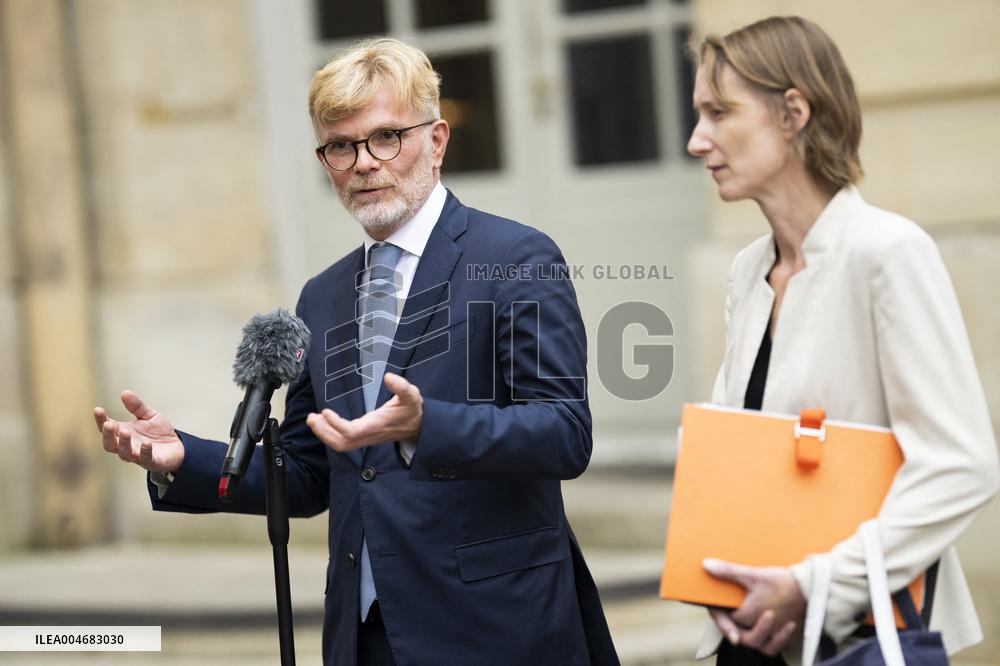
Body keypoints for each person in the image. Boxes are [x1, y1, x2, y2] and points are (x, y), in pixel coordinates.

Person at [94, 37, 618, 666]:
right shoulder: (323, 296)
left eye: (387, 136)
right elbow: (310, 474)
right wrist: (184, 458)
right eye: (341, 146)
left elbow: (564, 432)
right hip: (364, 633)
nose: (365, 162)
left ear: (437, 140)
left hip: (493, 626)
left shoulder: (517, 260)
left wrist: (430, 426)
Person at [684, 16, 999, 665]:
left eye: (719, 113)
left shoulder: (888, 253)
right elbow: (744, 454)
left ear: (792, 112)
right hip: (753, 631)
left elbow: (961, 464)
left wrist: (814, 585)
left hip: (861, 633)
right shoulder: (748, 270)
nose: (697, 140)